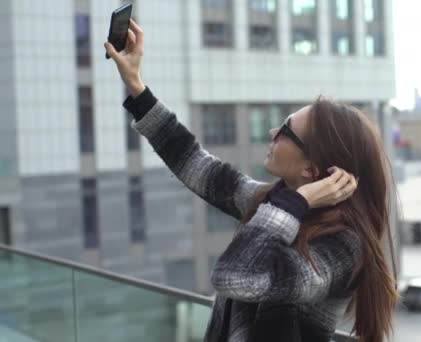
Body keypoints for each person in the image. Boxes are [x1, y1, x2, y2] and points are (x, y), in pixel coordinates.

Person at [105, 19, 398, 342]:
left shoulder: (342, 247)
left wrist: (296, 202)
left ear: (311, 170)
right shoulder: (274, 203)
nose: (273, 133)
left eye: (285, 132)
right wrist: (136, 86)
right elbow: (195, 163)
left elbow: (238, 277)